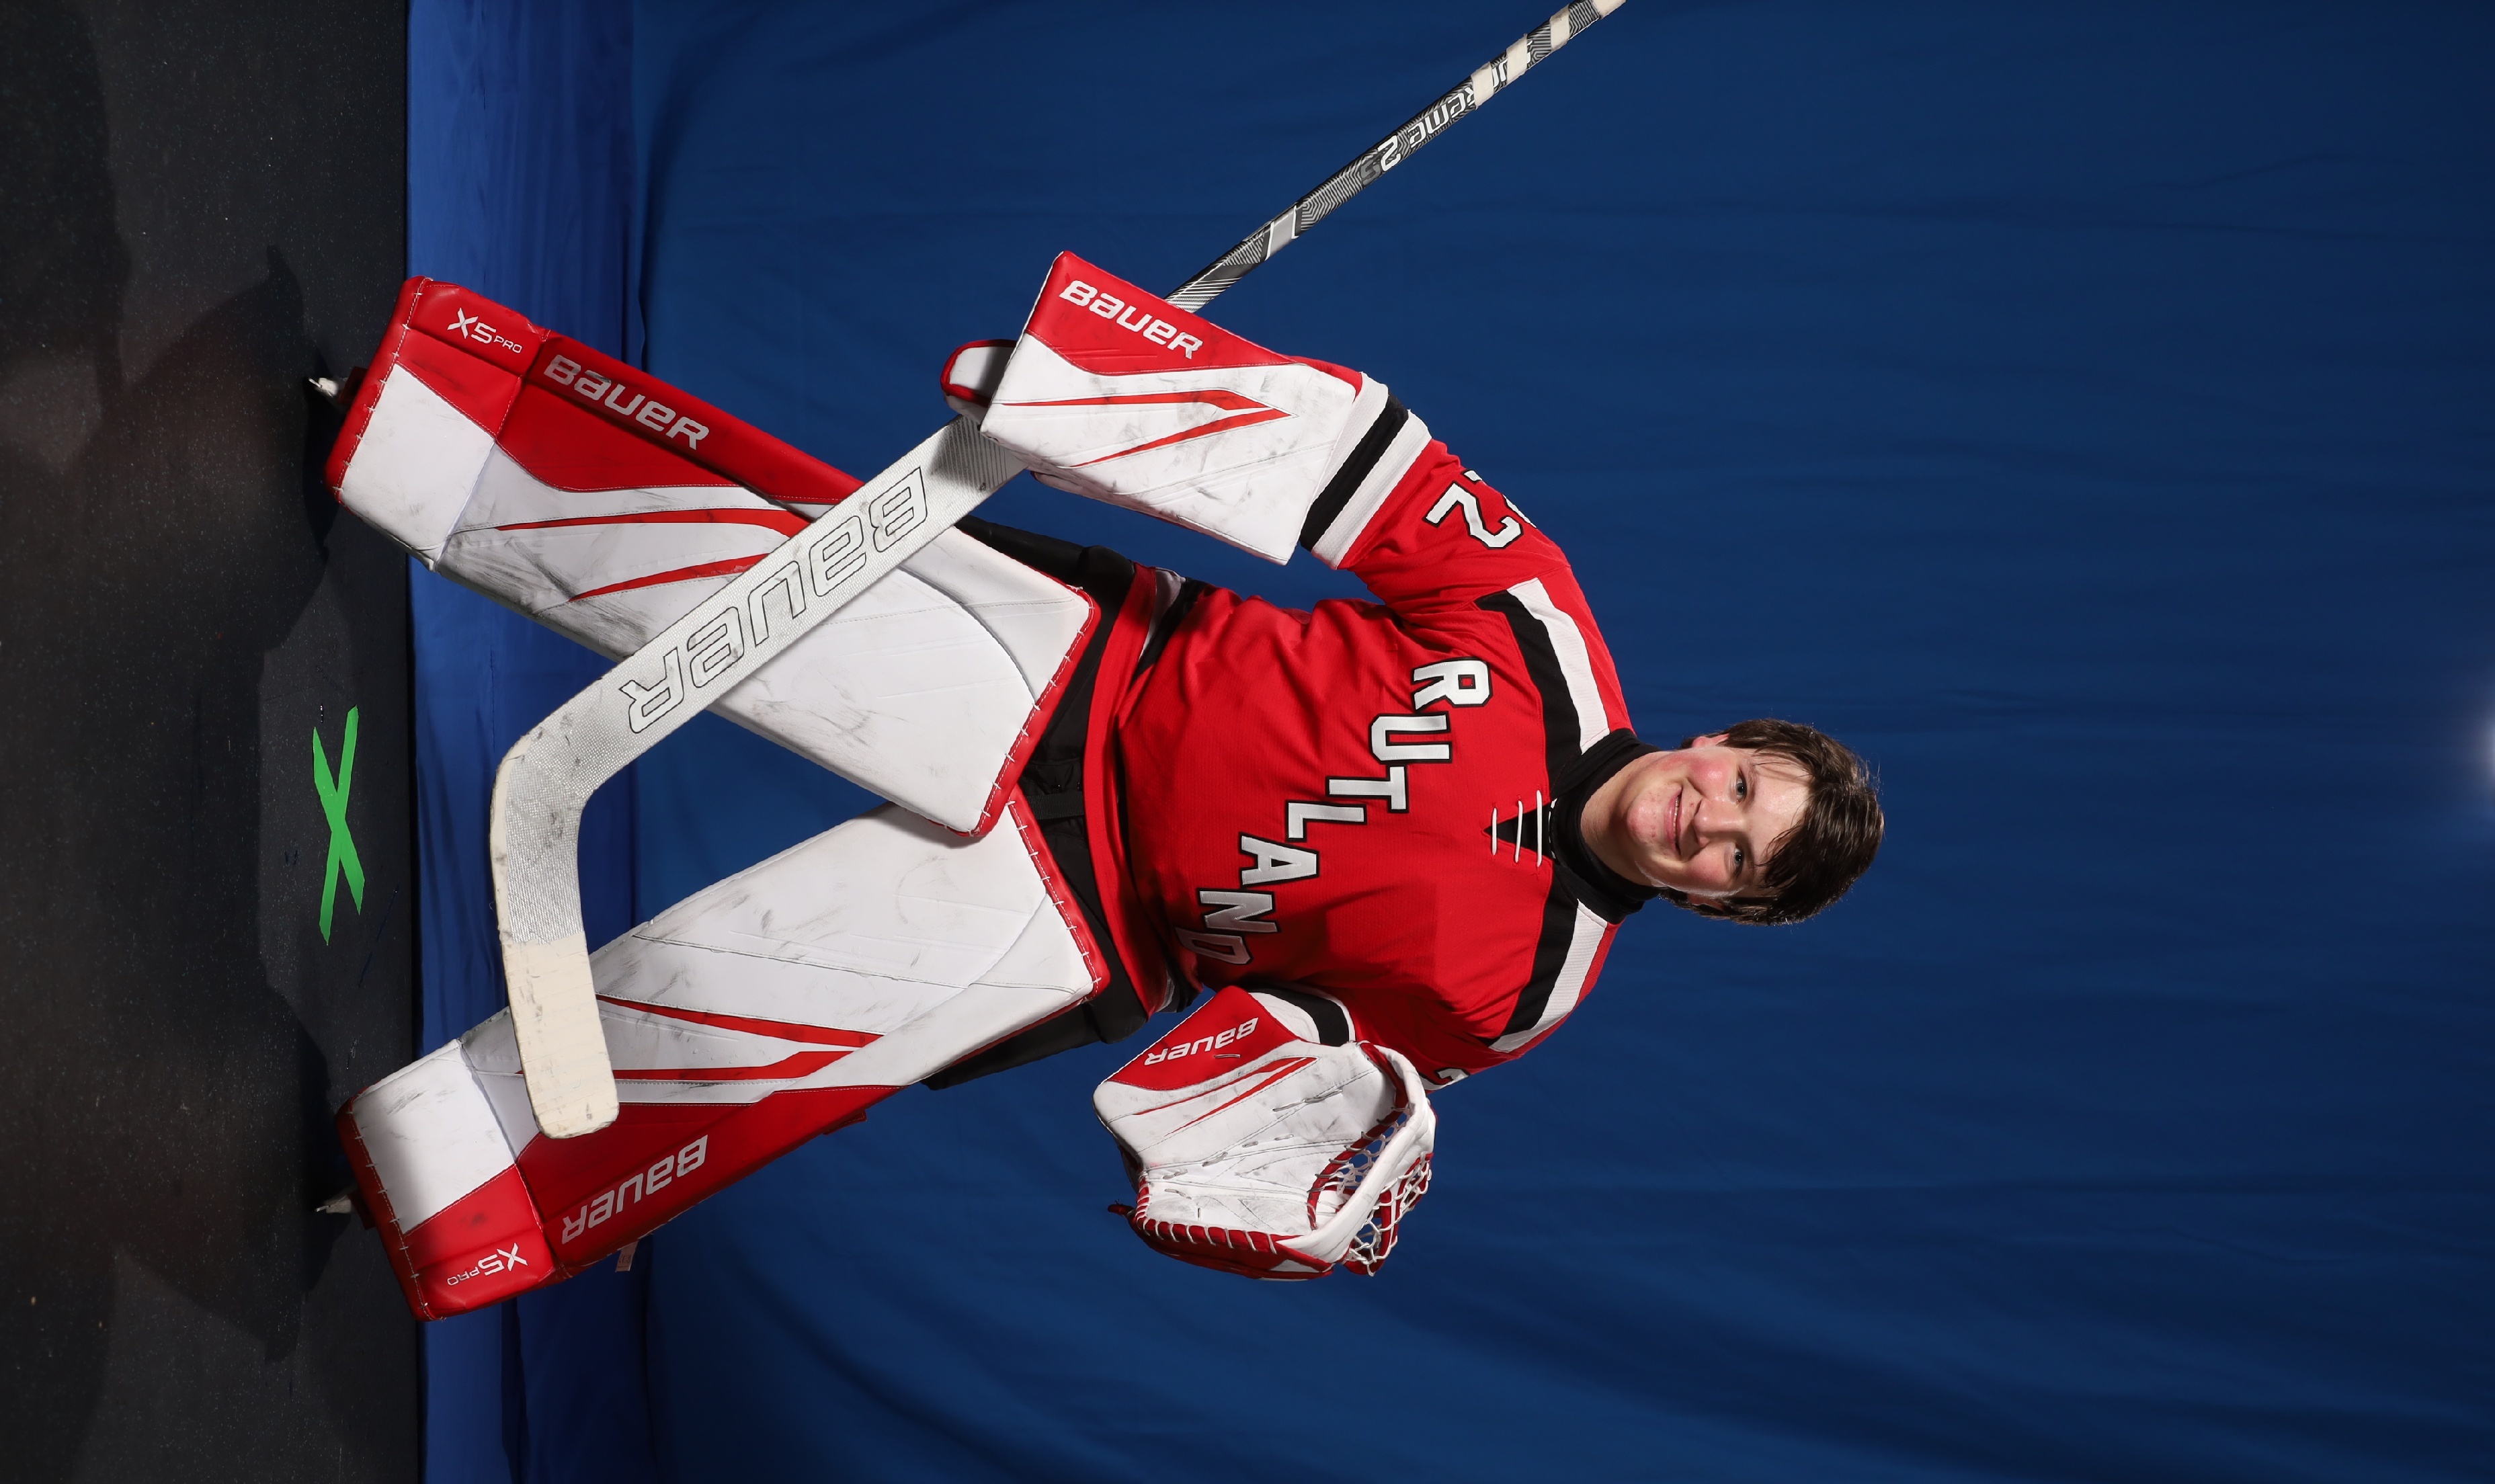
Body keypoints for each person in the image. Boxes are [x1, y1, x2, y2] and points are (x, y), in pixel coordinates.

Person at [325, 254, 1881, 1315]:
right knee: (725, 559)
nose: (1712, 817)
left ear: (1723, 906)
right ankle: (410, 419)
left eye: (1739, 856)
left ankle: (436, 1188)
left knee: (731, 1035)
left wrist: (1288, 1154)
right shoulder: (1536, 623)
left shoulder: (1520, 999)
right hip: (1085, 664)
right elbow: (1361, 457)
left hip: (1080, 924)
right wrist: (1104, 402)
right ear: (1723, 740)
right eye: (1744, 784)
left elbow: (1301, 1057)